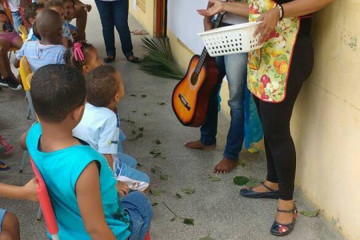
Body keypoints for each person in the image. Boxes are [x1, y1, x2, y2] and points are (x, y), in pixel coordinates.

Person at [198, 0, 334, 236]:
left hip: (289, 54)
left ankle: (287, 203)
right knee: (266, 121)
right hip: (263, 54)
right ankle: (272, 181)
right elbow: (259, 9)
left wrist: (280, 11)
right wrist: (224, 7)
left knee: (277, 131)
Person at [25, 64, 153, 239]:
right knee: (140, 201)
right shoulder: (85, 163)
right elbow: (96, 230)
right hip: (110, 232)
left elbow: (22, 142)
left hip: (61, 230)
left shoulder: (32, 135)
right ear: (78, 112)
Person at [186, 0, 263, 174]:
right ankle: (207, 139)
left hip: (240, 35)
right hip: (217, 32)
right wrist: (207, 21)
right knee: (209, 89)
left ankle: (231, 155)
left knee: (236, 100)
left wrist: (224, 6)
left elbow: (259, 11)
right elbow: (213, 3)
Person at [72, 65, 150, 195]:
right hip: (99, 167)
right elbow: (105, 155)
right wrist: (113, 183)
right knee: (145, 182)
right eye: (122, 84)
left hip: (83, 160)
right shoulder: (109, 118)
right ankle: (117, 201)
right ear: (117, 97)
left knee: (132, 162)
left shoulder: (83, 106)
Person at [0, 9, 22, 90]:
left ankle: (22, 75)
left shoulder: (6, 10)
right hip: (1, 37)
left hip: (13, 35)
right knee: (1, 51)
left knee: (26, 48)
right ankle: (8, 77)